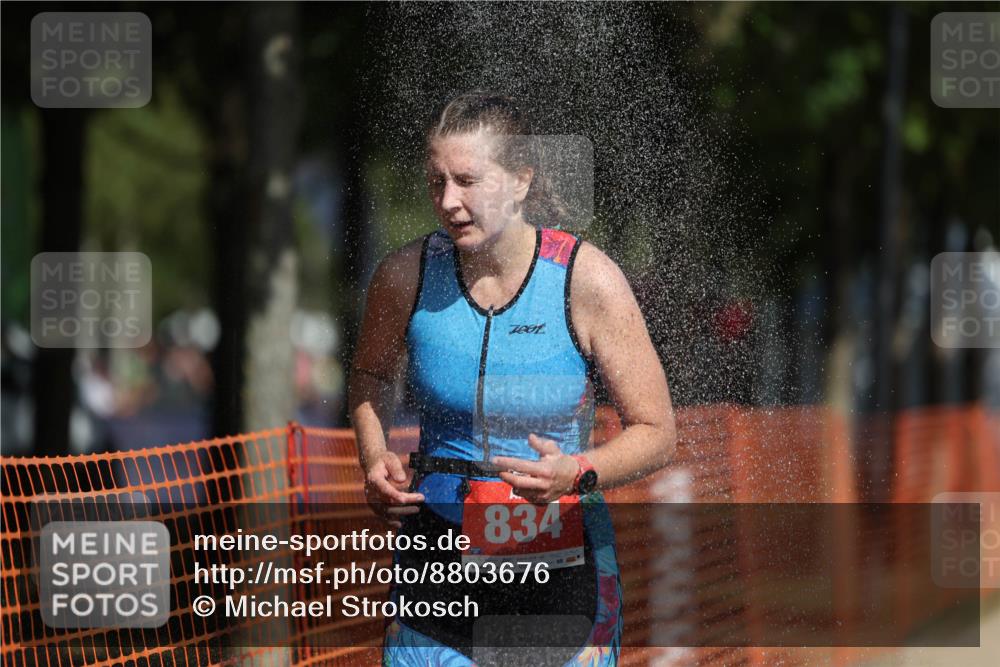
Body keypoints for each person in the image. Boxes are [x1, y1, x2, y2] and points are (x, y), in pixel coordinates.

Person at [349, 91, 676, 667]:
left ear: (522, 180)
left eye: (468, 181)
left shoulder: (586, 280)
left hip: (559, 563)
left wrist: (575, 473)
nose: (448, 202)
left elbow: (656, 431)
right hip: (436, 557)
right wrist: (374, 458)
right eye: (436, 182)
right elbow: (371, 374)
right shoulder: (405, 275)